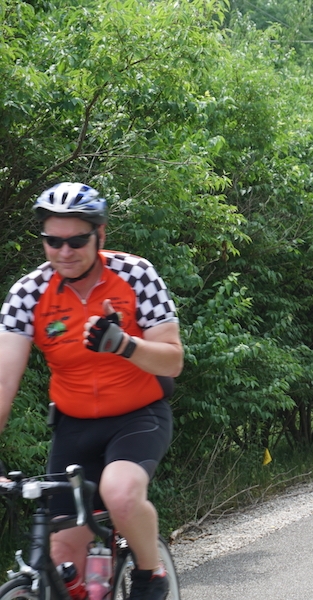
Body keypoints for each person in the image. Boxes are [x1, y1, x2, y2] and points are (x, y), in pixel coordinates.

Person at [0, 182, 182, 600]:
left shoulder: (136, 274)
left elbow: (173, 360)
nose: (64, 252)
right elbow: (3, 383)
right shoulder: (28, 293)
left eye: (77, 241)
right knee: (63, 563)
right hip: (74, 427)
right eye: (53, 241)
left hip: (138, 416)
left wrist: (125, 345)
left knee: (120, 494)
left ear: (99, 234)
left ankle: (151, 574)